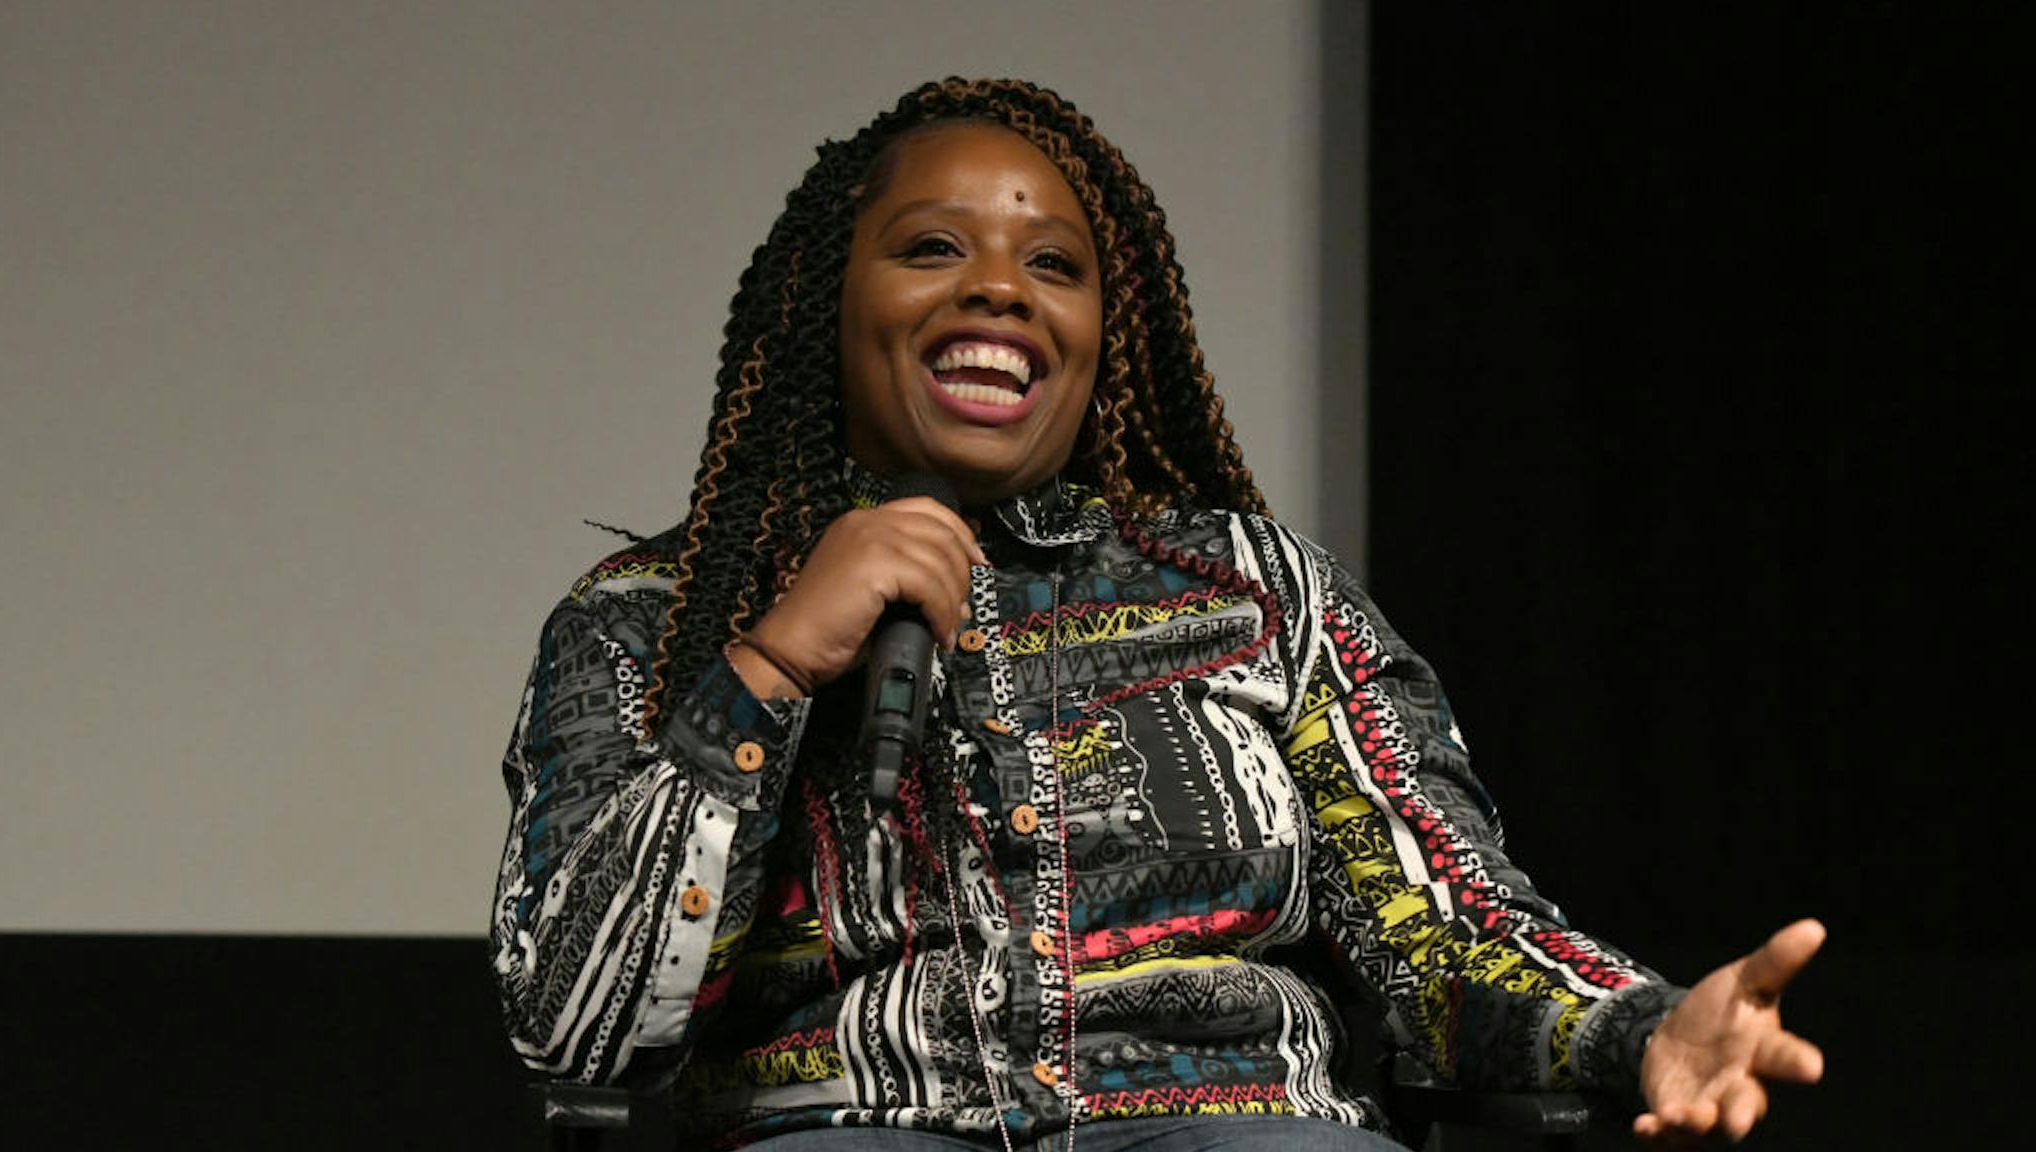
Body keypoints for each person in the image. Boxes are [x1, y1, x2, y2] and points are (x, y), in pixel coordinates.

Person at [490, 77, 1823, 1151]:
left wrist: (1641, 1029)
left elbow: (1443, 926)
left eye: (1054, 266)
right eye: (932, 248)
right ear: (828, 308)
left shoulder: (1259, 591)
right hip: (852, 1121)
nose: (1000, 289)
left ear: (1101, 337)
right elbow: (579, 1026)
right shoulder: (648, 622)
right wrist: (775, 663)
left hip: (1230, 1123)